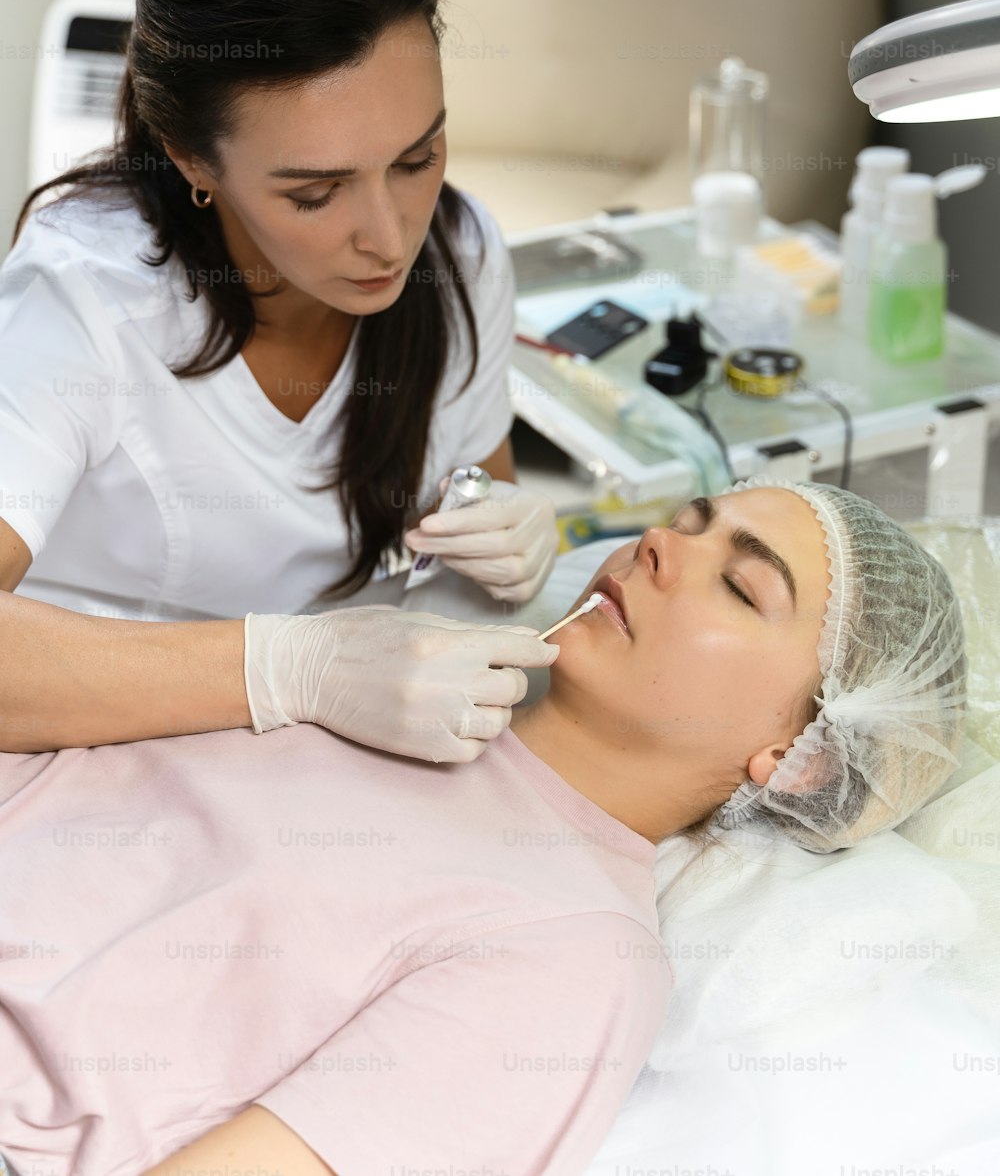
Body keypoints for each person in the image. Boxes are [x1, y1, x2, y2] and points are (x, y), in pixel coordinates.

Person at [0, 480, 966, 1176]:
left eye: (741, 587)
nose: (662, 546)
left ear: (799, 756)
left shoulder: (576, 959)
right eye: (688, 521)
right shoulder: (378, 671)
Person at [0, 0, 559, 764]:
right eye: (315, 192)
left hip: (320, 758)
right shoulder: (82, 300)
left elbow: (472, 498)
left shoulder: (459, 257)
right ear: (192, 161)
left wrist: (500, 534)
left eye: (416, 159)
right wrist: (288, 667)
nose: (389, 237)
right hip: (85, 751)